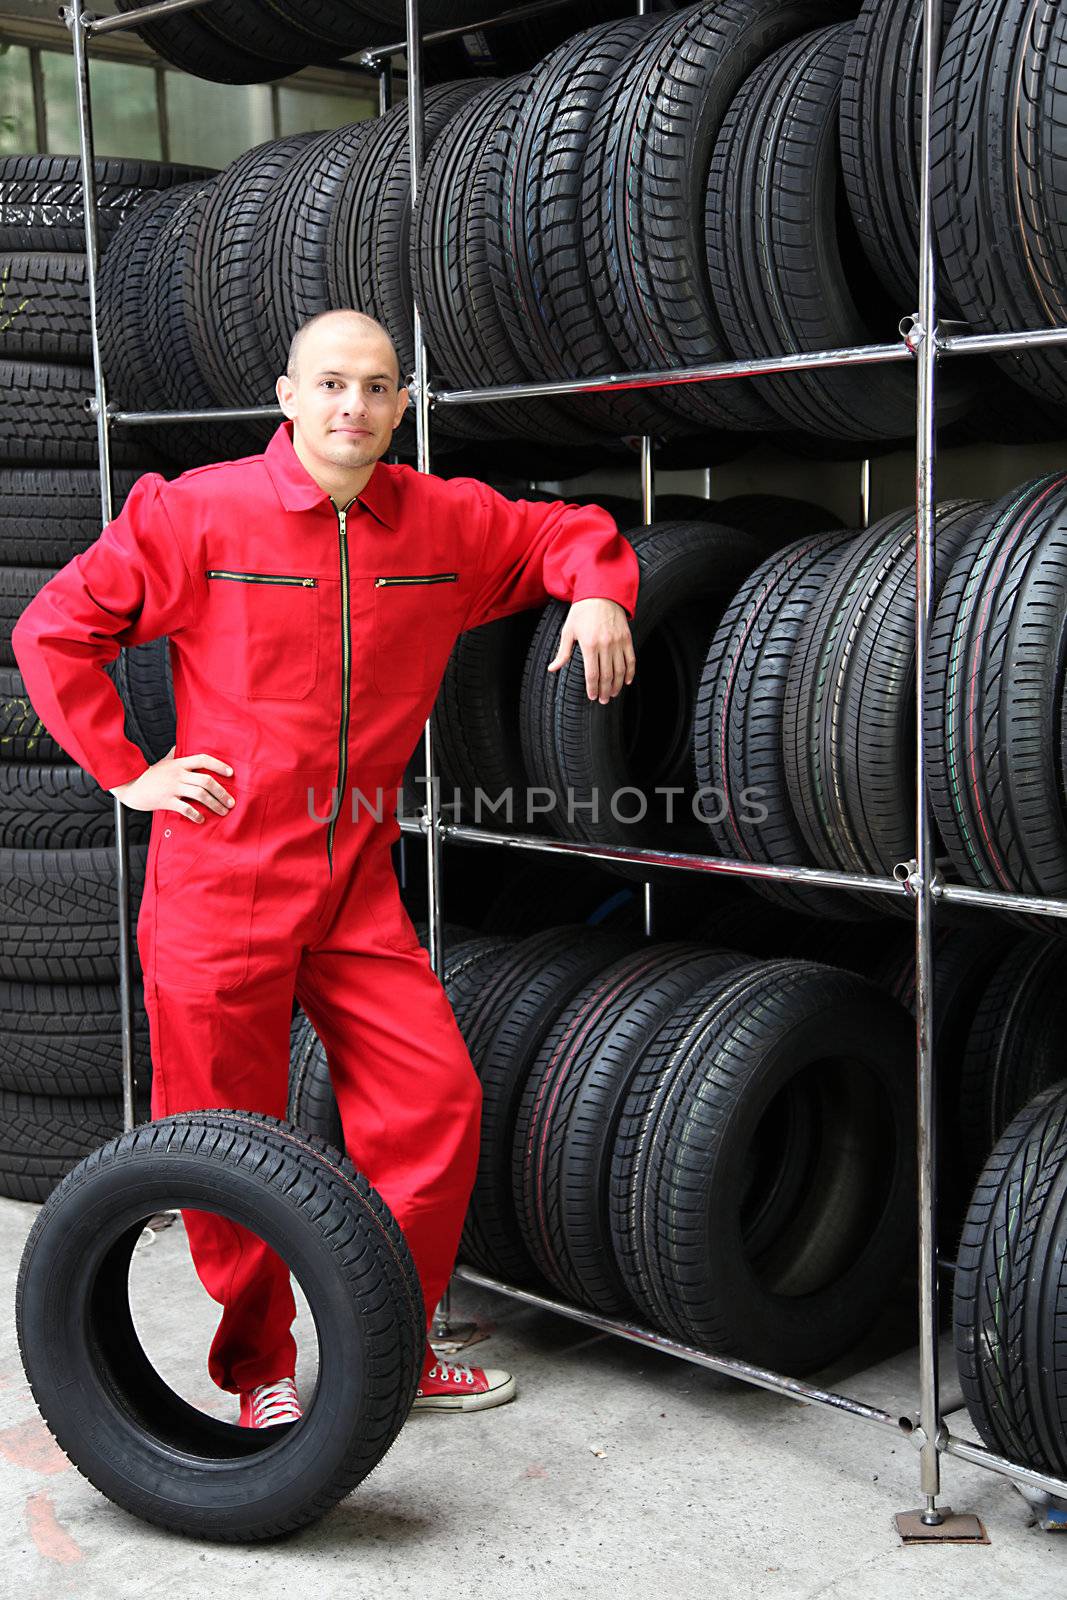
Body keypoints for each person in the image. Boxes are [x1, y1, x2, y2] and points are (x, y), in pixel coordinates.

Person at [12, 308, 640, 1428]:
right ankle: (258, 1367)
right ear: (287, 396)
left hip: (353, 875)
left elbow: (562, 531)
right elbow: (55, 627)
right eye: (332, 384)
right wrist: (127, 770)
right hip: (222, 878)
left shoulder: (440, 520)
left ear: (403, 406)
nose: (353, 406)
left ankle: (385, 1344)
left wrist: (598, 584)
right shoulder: (195, 511)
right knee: (229, 1136)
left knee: (431, 1096)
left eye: (377, 387)